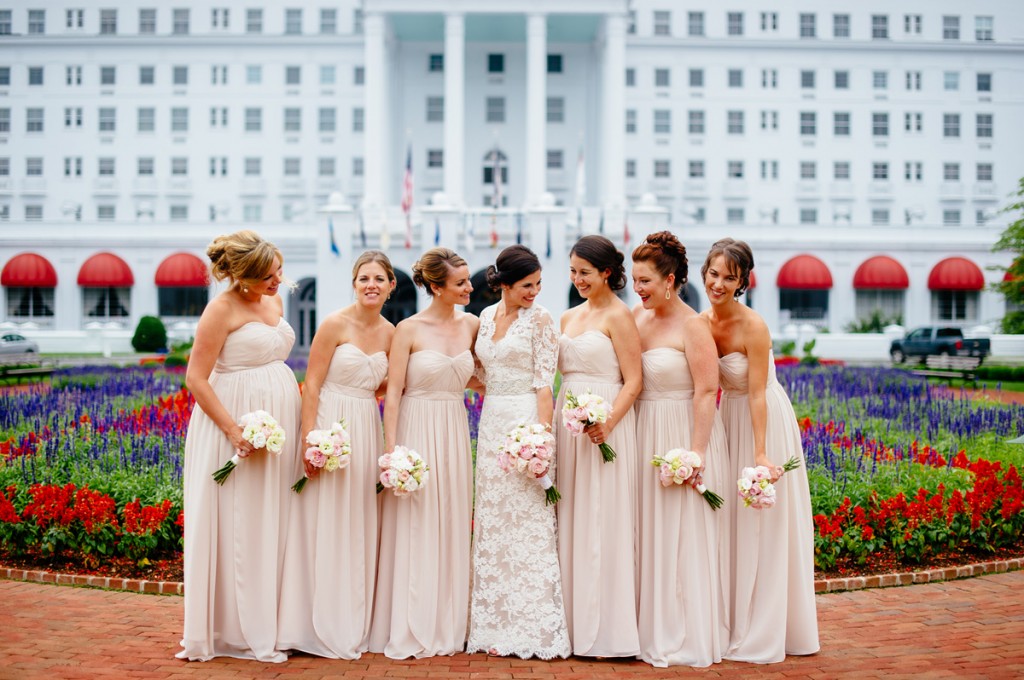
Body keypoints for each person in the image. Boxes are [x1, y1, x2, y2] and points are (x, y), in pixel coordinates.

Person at [177, 230, 299, 663]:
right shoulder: (220, 310)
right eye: (267, 275)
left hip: (279, 428)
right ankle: (235, 628)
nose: (276, 280)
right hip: (231, 425)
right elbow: (196, 377)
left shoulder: (275, 302)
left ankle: (277, 619)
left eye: (278, 271)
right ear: (243, 276)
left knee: (276, 519)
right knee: (239, 522)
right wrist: (232, 430)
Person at [700, 238, 820, 664]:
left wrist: (762, 453)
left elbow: (755, 395)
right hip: (725, 423)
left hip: (762, 419)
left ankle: (766, 624)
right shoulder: (700, 321)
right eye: (713, 273)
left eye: (728, 278)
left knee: (761, 526)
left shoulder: (754, 326)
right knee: (728, 523)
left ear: (742, 282)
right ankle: (731, 618)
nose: (718, 284)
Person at [277, 251, 397, 658]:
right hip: (331, 422)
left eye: (379, 279)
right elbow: (311, 385)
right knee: (322, 517)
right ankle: (307, 623)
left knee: (358, 520)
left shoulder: (391, 334)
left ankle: (350, 619)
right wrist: (310, 440)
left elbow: (388, 388)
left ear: (391, 286)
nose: (371, 285)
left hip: (365, 425)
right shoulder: (333, 324)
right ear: (354, 282)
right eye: (364, 278)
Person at [368, 247, 479, 659]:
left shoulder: (472, 325)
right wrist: (392, 452)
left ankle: (449, 622)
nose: (470, 287)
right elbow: (393, 393)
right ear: (436, 286)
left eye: (468, 280)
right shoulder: (408, 329)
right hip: (416, 427)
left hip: (453, 426)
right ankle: (411, 620)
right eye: (461, 282)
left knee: (450, 517)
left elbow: (483, 377)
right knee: (416, 522)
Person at [466, 245, 571, 660]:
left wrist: (541, 441)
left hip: (526, 418)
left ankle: (531, 624)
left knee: (527, 521)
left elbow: (545, 383)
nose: (535, 292)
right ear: (504, 284)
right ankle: (491, 622)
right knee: (494, 519)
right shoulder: (486, 317)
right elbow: (478, 370)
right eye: (527, 285)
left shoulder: (542, 320)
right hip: (492, 423)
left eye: (539, 284)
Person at [631, 231, 728, 668]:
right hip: (641, 431)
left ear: (670, 280)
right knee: (646, 532)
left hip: (681, 432)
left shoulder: (694, 325)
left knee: (680, 534)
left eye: (646, 281)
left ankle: (683, 629)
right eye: (634, 280)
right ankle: (642, 624)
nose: (638, 289)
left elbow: (707, 391)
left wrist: (695, 454)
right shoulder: (636, 317)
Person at [555, 234, 642, 658]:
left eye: (584, 272)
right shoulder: (567, 316)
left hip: (605, 426)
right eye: (572, 272)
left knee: (601, 518)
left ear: (607, 272)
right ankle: (568, 623)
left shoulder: (620, 316)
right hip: (567, 425)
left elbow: (634, 381)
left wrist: (606, 423)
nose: (577, 280)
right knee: (569, 515)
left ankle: (606, 628)